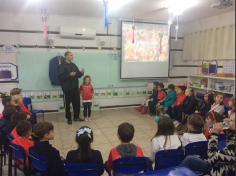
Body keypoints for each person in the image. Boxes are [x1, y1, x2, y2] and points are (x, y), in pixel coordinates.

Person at [59, 51, 84, 124]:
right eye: (70, 55)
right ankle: (69, 118)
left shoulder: (73, 65)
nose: (72, 57)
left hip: (75, 88)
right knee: (67, 104)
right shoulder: (62, 66)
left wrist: (81, 73)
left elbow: (77, 75)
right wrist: (69, 75)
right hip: (67, 89)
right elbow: (61, 77)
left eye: (72, 55)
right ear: (66, 56)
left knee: (77, 103)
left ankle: (76, 117)